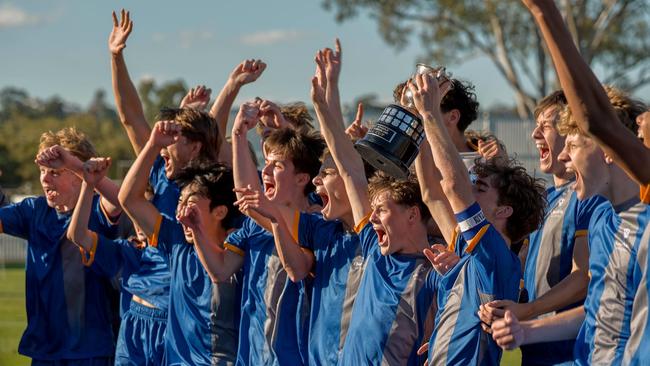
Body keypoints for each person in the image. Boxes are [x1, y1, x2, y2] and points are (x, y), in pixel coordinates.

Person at [490, 86, 647, 365]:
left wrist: (529, 312)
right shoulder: (603, 219)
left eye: (573, 145)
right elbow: (597, 309)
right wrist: (524, 330)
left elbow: (584, 282)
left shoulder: (638, 221)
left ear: (608, 149)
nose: (564, 155)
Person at [408, 72, 546, 365]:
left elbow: (452, 186)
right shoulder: (470, 252)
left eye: (480, 188)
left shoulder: (494, 252)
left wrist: (430, 112)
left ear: (503, 211)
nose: (470, 190)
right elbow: (433, 192)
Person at [188, 100, 325, 365]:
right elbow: (220, 270)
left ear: (301, 178)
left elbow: (251, 197)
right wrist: (197, 232)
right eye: (267, 163)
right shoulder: (253, 224)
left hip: (293, 357)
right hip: (252, 354)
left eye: (277, 165)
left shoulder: (315, 219)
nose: (267, 171)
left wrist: (239, 135)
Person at [482, 91, 602, 366]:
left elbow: (583, 276)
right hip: (534, 351)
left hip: (569, 354)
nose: (535, 134)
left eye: (546, 125)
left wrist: (527, 311)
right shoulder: (546, 198)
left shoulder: (588, 197)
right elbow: (521, 264)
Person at [118, 119, 242, 365]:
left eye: (191, 203)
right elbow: (129, 199)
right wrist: (153, 145)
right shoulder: (176, 241)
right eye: (180, 203)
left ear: (219, 212)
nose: (181, 212)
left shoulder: (239, 252)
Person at [0, 128, 120, 364]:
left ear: (79, 176)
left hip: (90, 350)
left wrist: (79, 166)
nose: (44, 179)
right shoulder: (34, 210)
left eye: (54, 172)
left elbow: (124, 200)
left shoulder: (97, 209)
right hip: (45, 350)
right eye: (43, 171)